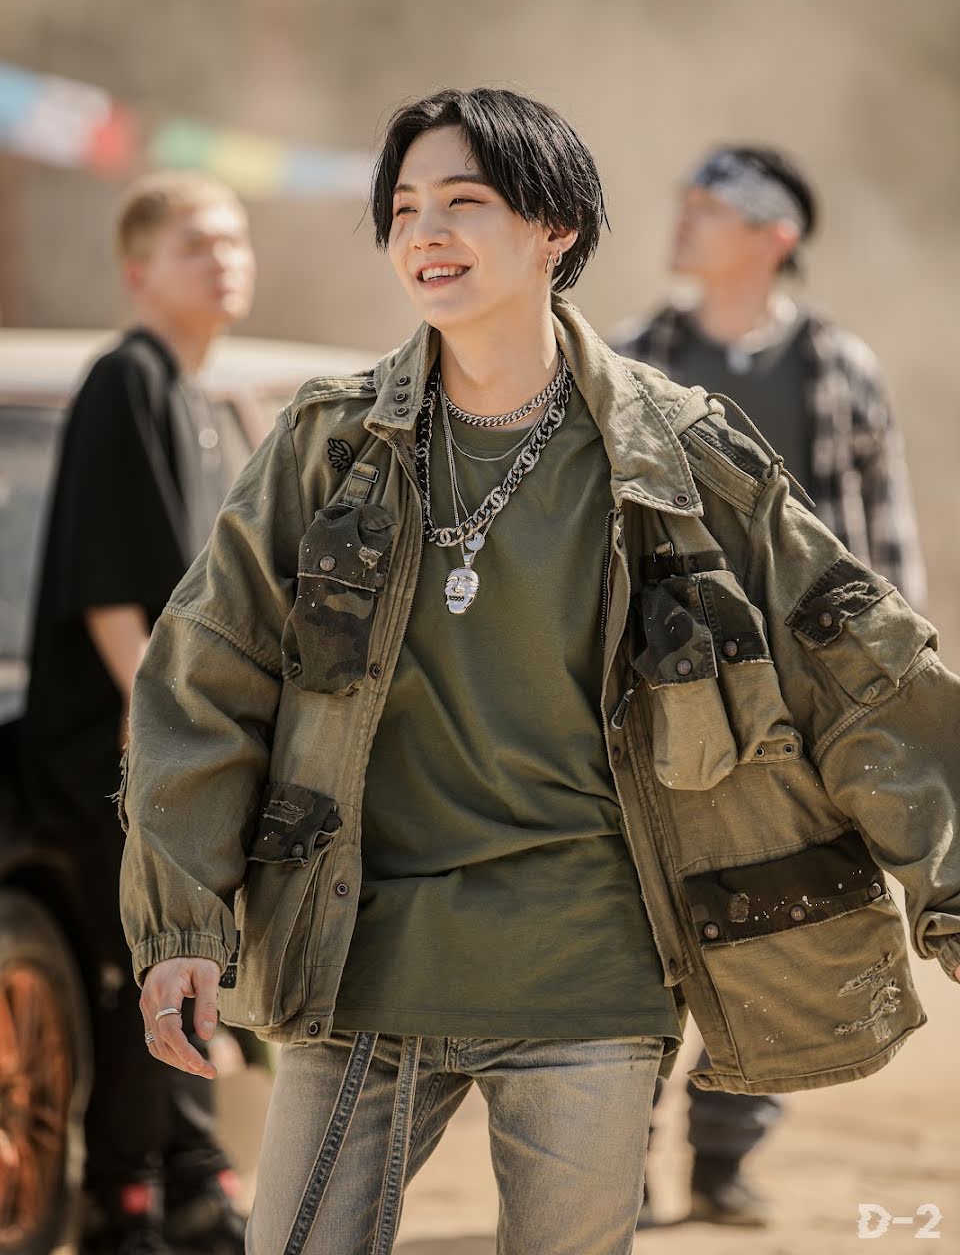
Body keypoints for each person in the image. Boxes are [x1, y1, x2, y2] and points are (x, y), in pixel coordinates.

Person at [119, 90, 960, 1255]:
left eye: (463, 202)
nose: (425, 232)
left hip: (591, 978)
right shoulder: (328, 444)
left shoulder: (681, 450)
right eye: (404, 209)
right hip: (358, 965)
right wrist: (182, 923)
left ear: (554, 229)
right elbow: (204, 681)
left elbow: (864, 668)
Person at [611, 144, 927, 1228]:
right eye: (685, 202)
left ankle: (724, 1158)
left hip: (797, 696)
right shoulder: (633, 357)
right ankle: (617, 1163)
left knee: (782, 913)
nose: (683, 220)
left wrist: (890, 686)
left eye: (708, 208)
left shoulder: (837, 367)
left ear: (773, 235)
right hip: (661, 690)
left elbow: (881, 539)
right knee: (640, 915)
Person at [24, 171, 256, 1255]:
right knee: (138, 975)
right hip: (118, 746)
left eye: (234, 239)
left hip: (173, 739)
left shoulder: (197, 396)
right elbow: (113, 588)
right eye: (195, 244)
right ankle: (126, 1205)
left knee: (184, 960)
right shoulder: (126, 378)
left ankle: (190, 1187)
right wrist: (156, 725)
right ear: (138, 272)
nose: (224, 259)